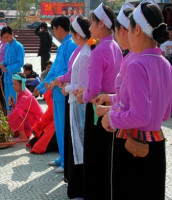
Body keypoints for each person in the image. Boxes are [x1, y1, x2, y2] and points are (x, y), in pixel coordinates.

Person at [101, 1, 172, 199]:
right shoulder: (166, 64)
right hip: (156, 144)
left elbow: (139, 115)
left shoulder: (136, 65)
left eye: (129, 30)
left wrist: (111, 119)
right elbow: (165, 113)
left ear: (137, 30)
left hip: (131, 145)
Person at [74, 3, 122, 200]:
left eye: (92, 23)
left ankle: (93, 194)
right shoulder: (116, 46)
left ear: (102, 24)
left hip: (96, 106)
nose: (90, 28)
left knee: (94, 154)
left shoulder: (99, 50)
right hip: (112, 104)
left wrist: (82, 96)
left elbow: (93, 89)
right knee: (106, 155)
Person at [33, 16, 77, 173]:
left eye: (54, 29)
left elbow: (67, 71)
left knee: (65, 127)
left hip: (63, 92)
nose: (54, 32)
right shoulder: (62, 46)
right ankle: (62, 157)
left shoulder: (71, 45)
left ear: (59, 28)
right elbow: (53, 70)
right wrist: (41, 86)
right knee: (59, 126)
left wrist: (52, 83)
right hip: (56, 92)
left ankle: (67, 161)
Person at [61, 15, 94, 199]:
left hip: (80, 104)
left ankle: (79, 188)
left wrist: (68, 88)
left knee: (79, 143)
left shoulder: (85, 55)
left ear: (78, 35)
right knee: (77, 143)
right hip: (76, 102)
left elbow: (83, 85)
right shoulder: (84, 51)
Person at [7, 73, 43, 142]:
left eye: (15, 84)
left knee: (18, 114)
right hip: (30, 119)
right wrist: (12, 105)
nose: (13, 86)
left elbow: (17, 112)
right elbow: (17, 108)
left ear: (21, 84)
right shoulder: (21, 92)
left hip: (36, 121)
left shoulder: (25, 96)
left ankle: (22, 137)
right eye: (13, 84)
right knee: (14, 131)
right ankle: (23, 134)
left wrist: (4, 121)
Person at [0, 26, 25, 114]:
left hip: (16, 77)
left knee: (15, 100)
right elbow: (6, 60)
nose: (6, 39)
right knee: (8, 100)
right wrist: (2, 64)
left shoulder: (19, 46)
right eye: (4, 38)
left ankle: (16, 120)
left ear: (12, 34)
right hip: (7, 78)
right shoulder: (7, 46)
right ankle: (9, 120)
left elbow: (20, 63)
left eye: (7, 37)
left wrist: (8, 68)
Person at [26, 89, 58, 154]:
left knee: (38, 145)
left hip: (57, 125)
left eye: (15, 84)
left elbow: (50, 114)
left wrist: (37, 127)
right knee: (32, 143)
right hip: (52, 122)